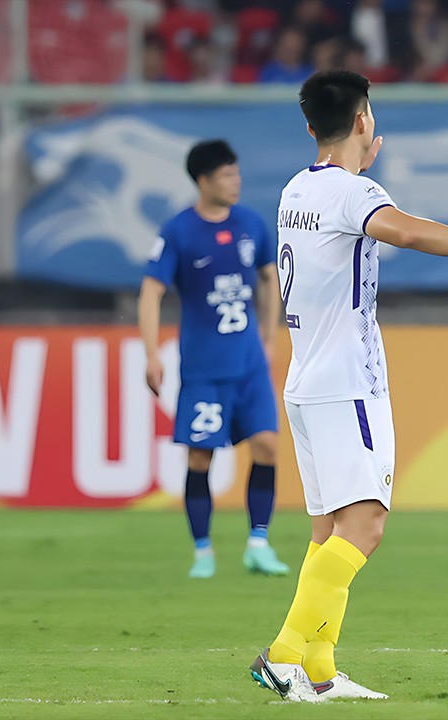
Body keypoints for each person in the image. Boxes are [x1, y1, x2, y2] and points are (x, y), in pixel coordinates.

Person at [248, 70, 448, 703]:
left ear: (312, 127)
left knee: (328, 531)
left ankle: (318, 670)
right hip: (346, 383)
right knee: (364, 528)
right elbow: (408, 232)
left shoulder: (295, 190)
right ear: (363, 121)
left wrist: (360, 169)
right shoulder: (351, 192)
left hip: (306, 381)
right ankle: (282, 654)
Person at [138, 140, 288, 580]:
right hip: (204, 369)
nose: (236, 181)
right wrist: (151, 352)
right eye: (227, 175)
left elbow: (267, 274)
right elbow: (151, 291)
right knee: (201, 459)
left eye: (237, 173)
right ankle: (203, 551)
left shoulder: (251, 224)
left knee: (267, 445)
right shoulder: (178, 232)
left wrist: (269, 333)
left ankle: (258, 543)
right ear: (203, 181)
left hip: (249, 364)